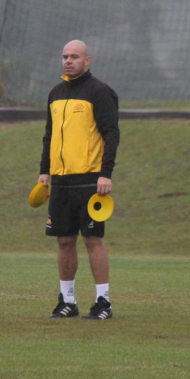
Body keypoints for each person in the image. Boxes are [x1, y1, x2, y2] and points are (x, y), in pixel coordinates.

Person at [38, 39, 120, 320]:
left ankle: (103, 302)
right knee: (63, 240)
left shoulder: (100, 92)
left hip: (89, 180)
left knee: (92, 238)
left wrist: (105, 174)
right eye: (64, 57)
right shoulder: (55, 94)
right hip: (60, 181)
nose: (68, 61)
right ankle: (68, 301)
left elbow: (111, 133)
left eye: (74, 56)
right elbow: (49, 136)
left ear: (87, 60)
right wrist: (44, 172)